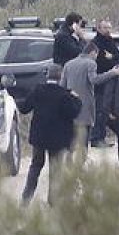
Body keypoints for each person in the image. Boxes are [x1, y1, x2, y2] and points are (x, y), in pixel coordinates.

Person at [18, 64, 82, 204]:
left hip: (39, 137)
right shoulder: (64, 95)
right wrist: (76, 99)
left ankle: (26, 198)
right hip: (57, 140)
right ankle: (53, 200)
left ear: (47, 76)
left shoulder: (37, 90)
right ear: (60, 77)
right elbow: (74, 112)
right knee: (55, 170)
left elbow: (24, 108)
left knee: (35, 166)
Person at [60, 42, 119, 164]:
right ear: (93, 52)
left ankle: (68, 163)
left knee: (71, 139)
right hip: (85, 108)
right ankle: (81, 164)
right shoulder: (91, 63)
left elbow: (62, 86)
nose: (96, 58)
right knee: (83, 140)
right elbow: (94, 80)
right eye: (96, 55)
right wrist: (112, 73)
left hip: (70, 109)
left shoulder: (68, 64)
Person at [90, 19, 119, 147]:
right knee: (99, 109)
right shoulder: (96, 43)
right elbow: (100, 60)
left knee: (105, 110)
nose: (108, 30)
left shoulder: (109, 41)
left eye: (109, 28)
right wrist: (110, 59)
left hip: (111, 79)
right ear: (99, 28)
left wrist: (112, 57)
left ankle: (101, 136)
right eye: (105, 28)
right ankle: (96, 138)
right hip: (99, 79)